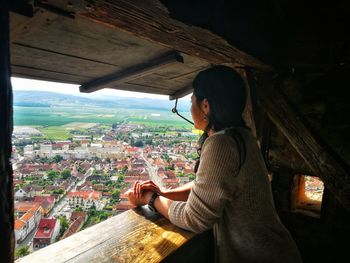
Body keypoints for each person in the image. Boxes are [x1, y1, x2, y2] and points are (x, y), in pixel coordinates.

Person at [126, 65, 302, 263]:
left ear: (206, 106)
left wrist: (151, 200)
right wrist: (165, 193)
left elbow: (194, 218)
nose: (190, 109)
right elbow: (209, 187)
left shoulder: (221, 143)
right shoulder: (242, 136)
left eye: (192, 102)